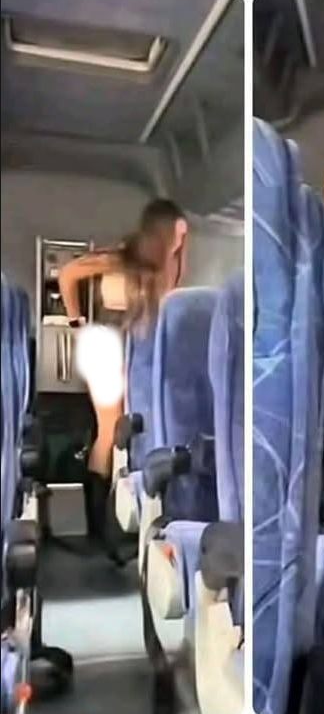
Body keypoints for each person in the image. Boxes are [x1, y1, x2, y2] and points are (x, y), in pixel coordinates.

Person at [58, 198, 188, 547]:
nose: (182, 239)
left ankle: (124, 519)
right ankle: (99, 528)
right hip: (106, 342)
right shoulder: (122, 257)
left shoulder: (168, 267)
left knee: (136, 429)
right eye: (178, 232)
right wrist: (76, 323)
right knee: (109, 429)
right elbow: (67, 275)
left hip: (140, 345)